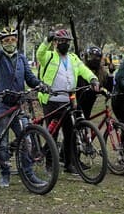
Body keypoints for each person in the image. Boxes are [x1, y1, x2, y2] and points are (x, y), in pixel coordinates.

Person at [0, 21, 42, 187]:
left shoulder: (22, 59)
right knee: (2, 141)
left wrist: (39, 85)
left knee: (26, 138)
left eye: (12, 39)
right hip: (0, 104)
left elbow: (30, 78)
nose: (10, 43)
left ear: (16, 40)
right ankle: (5, 173)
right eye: (6, 40)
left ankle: (28, 173)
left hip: (18, 105)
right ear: (2, 42)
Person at [36, 28, 99, 168]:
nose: (64, 44)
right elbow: (39, 54)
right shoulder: (49, 56)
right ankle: (50, 164)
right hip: (51, 100)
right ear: (56, 42)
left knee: (70, 132)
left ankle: (70, 163)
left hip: (68, 100)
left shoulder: (73, 58)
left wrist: (93, 79)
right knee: (52, 132)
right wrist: (47, 40)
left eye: (67, 42)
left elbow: (84, 69)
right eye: (61, 41)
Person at [76, 46, 111, 119]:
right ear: (86, 57)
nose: (94, 59)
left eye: (97, 57)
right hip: (78, 100)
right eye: (92, 56)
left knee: (85, 119)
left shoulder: (103, 73)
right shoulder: (81, 70)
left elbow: (108, 88)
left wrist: (111, 73)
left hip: (90, 101)